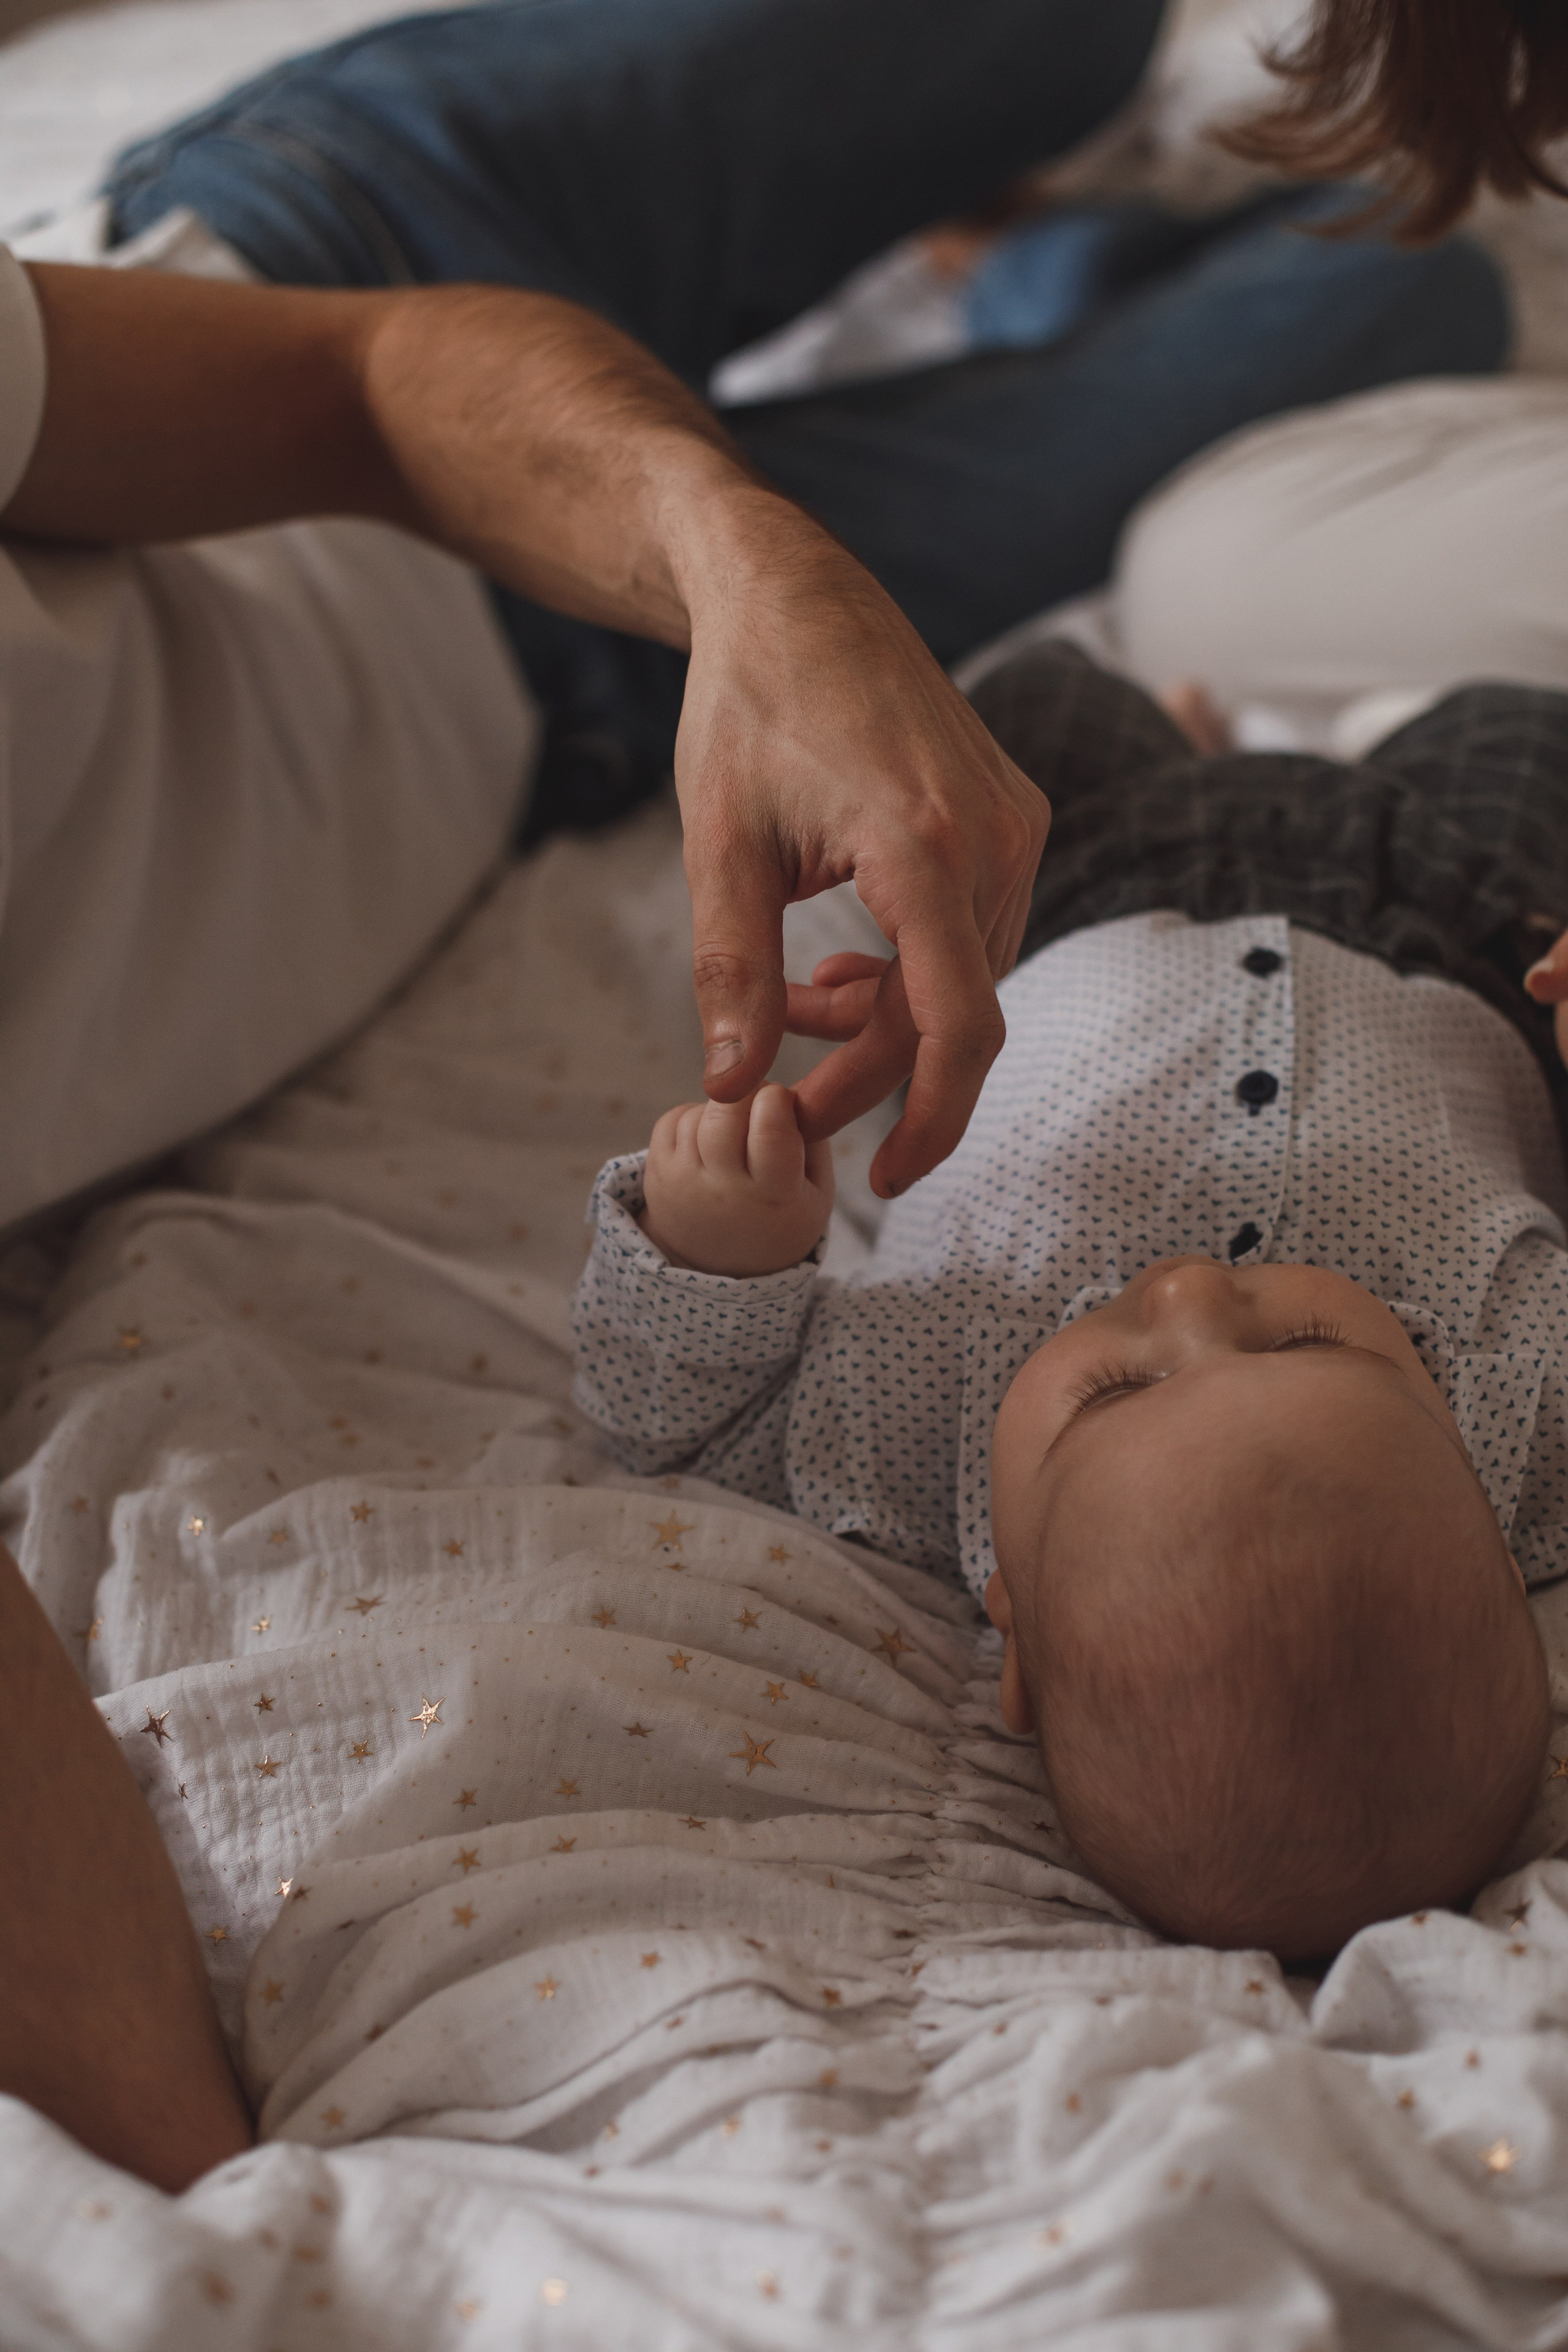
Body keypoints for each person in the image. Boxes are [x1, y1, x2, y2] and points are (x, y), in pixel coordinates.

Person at [572, 641, 1567, 1959]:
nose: (1189, 1294)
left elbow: (676, 1420)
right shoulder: (1530, 1425)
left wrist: (714, 1246)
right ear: (1499, 1544)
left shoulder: (922, 1448)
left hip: (1067, 899)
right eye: (1306, 1341)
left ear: (1019, 1639)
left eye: (1119, 1385)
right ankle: (1325, 733)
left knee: (1028, 697)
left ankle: (1173, 731)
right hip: (1453, 919)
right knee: (1517, 725)